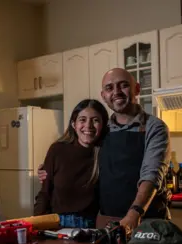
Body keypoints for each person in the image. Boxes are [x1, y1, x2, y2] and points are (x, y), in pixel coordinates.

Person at [39, 68, 171, 230]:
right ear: (104, 96)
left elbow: (151, 175)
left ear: (136, 89)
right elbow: (80, 157)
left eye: (123, 86)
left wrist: (134, 213)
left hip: (145, 220)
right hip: (107, 222)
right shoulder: (103, 130)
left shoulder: (154, 127)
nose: (116, 92)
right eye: (109, 88)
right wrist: (48, 171)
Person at [34, 99, 109, 228]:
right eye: (82, 120)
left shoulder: (107, 153)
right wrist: (36, 224)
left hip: (92, 226)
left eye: (95, 120)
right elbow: (45, 193)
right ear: (74, 124)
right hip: (57, 224)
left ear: (103, 125)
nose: (88, 126)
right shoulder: (57, 150)